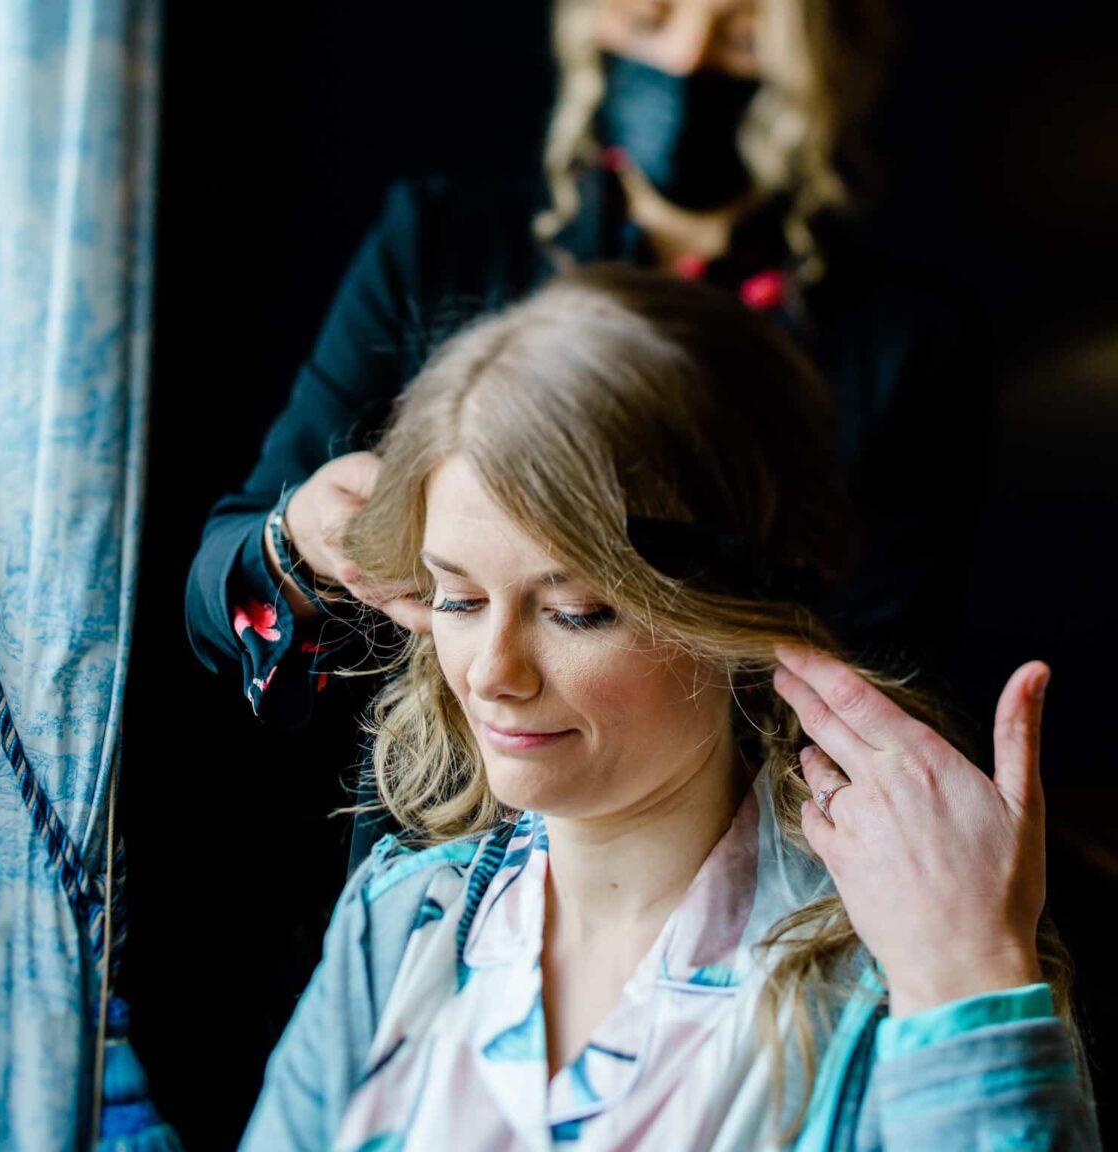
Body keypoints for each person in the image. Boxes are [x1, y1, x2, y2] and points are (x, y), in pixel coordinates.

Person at [238, 264, 1098, 1150]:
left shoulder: (898, 984)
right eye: (458, 600)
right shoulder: (397, 918)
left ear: (731, 618)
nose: (495, 672)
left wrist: (972, 978)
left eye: (577, 612)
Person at [185, 0, 989, 875]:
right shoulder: (443, 247)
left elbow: (885, 675)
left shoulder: (902, 343)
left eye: (745, 33)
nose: (689, 61)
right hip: (441, 852)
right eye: (651, 18)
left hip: (744, 862)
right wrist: (299, 539)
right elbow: (223, 582)